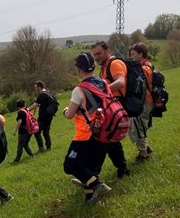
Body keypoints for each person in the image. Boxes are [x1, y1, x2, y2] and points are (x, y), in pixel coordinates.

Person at [62, 52, 111, 205]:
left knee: (70, 165)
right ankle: (90, 197)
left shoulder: (79, 89)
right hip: (103, 130)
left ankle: (98, 185)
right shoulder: (103, 83)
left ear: (78, 69)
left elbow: (70, 114)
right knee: (90, 167)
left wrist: (65, 111)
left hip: (85, 135)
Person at [91, 41, 130, 178]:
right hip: (111, 107)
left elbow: (120, 82)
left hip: (117, 107)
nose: (96, 57)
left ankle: (93, 174)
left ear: (108, 51)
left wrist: (102, 93)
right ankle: (121, 168)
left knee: (106, 139)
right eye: (94, 54)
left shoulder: (115, 64)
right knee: (108, 140)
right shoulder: (104, 68)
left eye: (99, 53)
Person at [129, 42, 154, 162]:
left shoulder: (144, 69)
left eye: (133, 54)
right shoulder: (147, 66)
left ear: (141, 54)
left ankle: (144, 154)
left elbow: (136, 85)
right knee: (138, 126)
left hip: (144, 102)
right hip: (145, 101)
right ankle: (144, 149)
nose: (131, 57)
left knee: (139, 127)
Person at [27, 80, 54, 152]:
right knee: (46, 132)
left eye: (35, 87)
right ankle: (48, 147)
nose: (35, 89)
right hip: (50, 116)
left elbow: (35, 105)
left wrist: (27, 110)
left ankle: (41, 147)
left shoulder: (41, 94)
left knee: (36, 131)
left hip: (43, 117)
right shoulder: (48, 93)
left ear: (39, 87)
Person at [12, 99, 35, 163]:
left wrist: (15, 131)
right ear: (24, 104)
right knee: (25, 144)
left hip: (23, 132)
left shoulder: (20, 112)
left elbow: (19, 122)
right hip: (29, 130)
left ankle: (16, 160)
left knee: (20, 146)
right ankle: (31, 155)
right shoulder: (26, 110)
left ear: (17, 106)